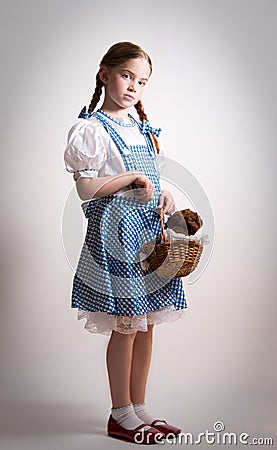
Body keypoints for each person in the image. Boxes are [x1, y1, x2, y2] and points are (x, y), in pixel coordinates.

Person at [64, 41, 186, 444]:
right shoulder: (92, 130)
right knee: (127, 324)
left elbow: (153, 182)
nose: (134, 86)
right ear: (105, 74)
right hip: (116, 239)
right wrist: (130, 179)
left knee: (147, 323)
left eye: (142, 81)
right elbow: (85, 188)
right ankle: (120, 413)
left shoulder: (146, 131)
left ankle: (139, 407)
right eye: (126, 75)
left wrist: (164, 197)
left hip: (148, 235)